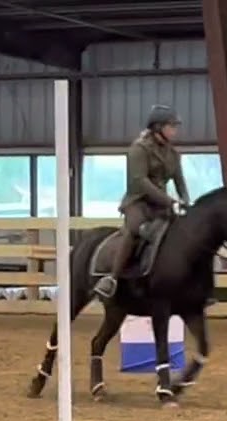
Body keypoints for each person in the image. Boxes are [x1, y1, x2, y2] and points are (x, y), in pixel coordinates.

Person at [94, 105, 190, 300]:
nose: (175, 131)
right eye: (171, 126)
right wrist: (168, 200)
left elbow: (180, 181)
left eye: (175, 127)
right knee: (135, 230)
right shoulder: (138, 149)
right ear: (158, 127)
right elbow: (140, 181)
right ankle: (112, 279)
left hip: (161, 205)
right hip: (138, 202)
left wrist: (186, 201)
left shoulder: (173, 153)